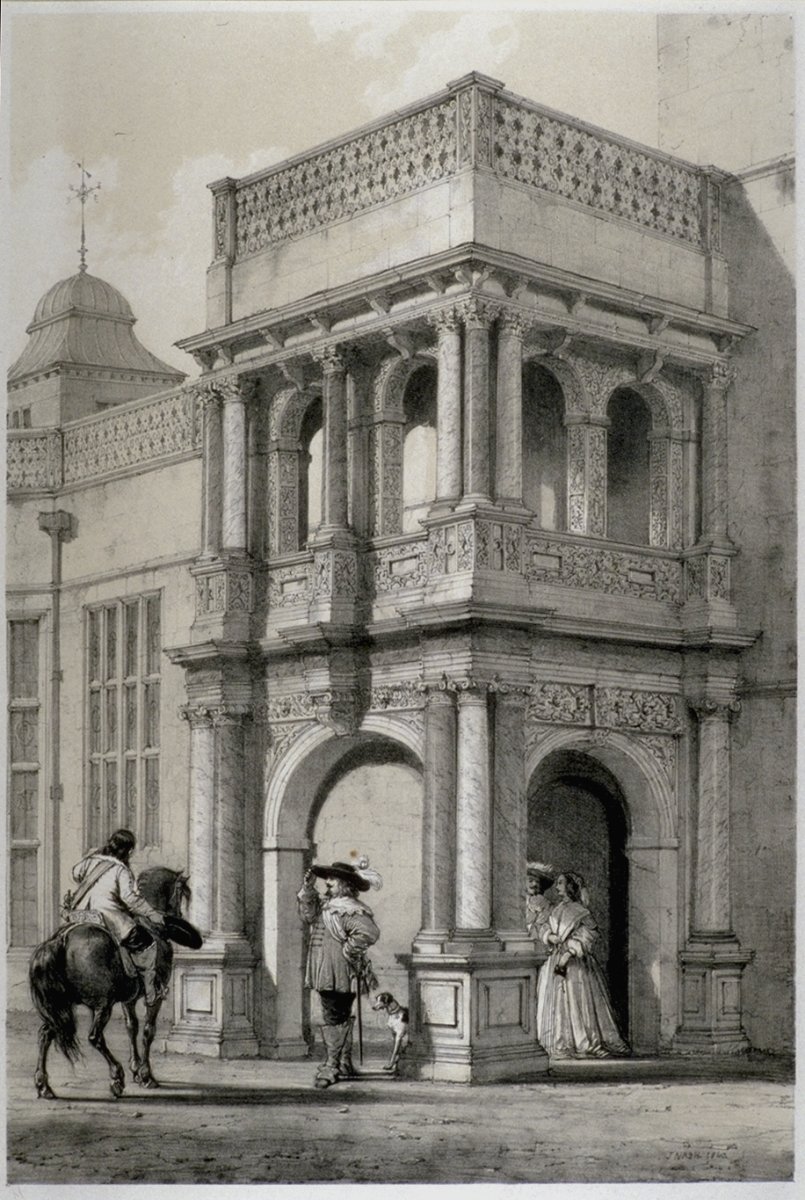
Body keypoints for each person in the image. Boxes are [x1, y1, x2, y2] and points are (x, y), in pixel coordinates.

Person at [297, 857, 381, 1089]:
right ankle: (344, 1062)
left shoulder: (352, 909)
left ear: (345, 884)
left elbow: (369, 934)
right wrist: (307, 888)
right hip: (325, 968)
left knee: (334, 1015)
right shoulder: (329, 905)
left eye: (333, 879)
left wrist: (349, 949)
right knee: (339, 1014)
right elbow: (308, 915)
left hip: (340, 970)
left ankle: (331, 1066)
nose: (328, 882)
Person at [66, 828, 167, 1006]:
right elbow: (130, 899)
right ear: (128, 851)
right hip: (108, 918)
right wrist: (152, 914)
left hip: (81, 915)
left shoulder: (90, 861)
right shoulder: (121, 870)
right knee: (149, 944)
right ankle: (151, 993)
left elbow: (74, 873)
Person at [535, 871, 629, 1059]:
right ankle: (558, 1043)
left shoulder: (581, 911)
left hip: (575, 965)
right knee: (556, 1004)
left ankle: (585, 1044)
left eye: (561, 883)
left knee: (580, 1003)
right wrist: (549, 936)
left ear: (570, 886)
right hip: (554, 959)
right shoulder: (556, 908)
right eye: (557, 883)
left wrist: (570, 952)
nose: (557, 887)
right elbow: (544, 926)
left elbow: (589, 935)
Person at [525, 862, 555, 940]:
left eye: (537, 882)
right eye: (530, 881)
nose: (534, 884)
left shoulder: (546, 904)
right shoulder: (518, 903)